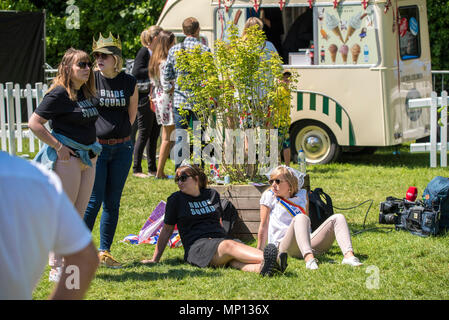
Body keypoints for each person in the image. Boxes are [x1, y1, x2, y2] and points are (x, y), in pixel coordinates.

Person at [28, 48, 101, 282]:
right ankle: (55, 265)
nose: (87, 68)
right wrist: (59, 148)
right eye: (82, 64)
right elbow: (34, 123)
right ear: (68, 68)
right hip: (67, 159)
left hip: (88, 158)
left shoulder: (86, 92)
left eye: (88, 64)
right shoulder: (59, 93)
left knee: (78, 214)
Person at [141, 164, 284, 276]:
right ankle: (275, 258)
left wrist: (221, 238)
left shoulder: (211, 194)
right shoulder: (176, 200)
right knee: (229, 246)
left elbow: (219, 222)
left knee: (234, 261)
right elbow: (167, 229)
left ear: (196, 179)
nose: (179, 182)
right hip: (197, 247)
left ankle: (265, 269)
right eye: (177, 179)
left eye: (183, 178)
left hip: (218, 240)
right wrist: (155, 259)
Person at [0, 152, 98, 300]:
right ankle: (55, 266)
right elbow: (84, 258)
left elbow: (83, 258)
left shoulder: (37, 179)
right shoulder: (36, 179)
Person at [83, 32, 138, 269]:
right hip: (97, 149)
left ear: (116, 58)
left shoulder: (129, 82)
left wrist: (120, 133)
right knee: (93, 200)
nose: (98, 59)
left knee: (112, 202)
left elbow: (132, 114)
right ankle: (78, 250)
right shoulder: (90, 80)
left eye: (104, 55)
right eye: (96, 55)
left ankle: (104, 251)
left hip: (123, 148)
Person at [257, 165, 363, 270]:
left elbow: (307, 222)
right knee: (300, 218)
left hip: (308, 241)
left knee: (338, 218)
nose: (273, 185)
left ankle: (349, 256)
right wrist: (259, 252)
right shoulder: (269, 196)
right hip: (284, 246)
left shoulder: (302, 195)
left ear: (289, 183)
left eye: (278, 181)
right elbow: (264, 224)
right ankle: (309, 259)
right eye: (271, 181)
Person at [163, 17, 211, 170]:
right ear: (197, 31)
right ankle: (198, 170)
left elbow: (167, 75)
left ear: (183, 31)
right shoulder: (204, 49)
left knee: (180, 136)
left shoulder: (174, 50)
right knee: (199, 137)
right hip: (199, 101)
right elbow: (211, 76)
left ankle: (180, 171)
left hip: (179, 100)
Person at [132, 26, 162, 178]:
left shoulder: (155, 53)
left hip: (155, 97)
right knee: (144, 133)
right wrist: (155, 68)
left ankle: (152, 168)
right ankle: (137, 168)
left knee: (154, 133)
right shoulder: (144, 52)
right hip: (144, 97)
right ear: (155, 38)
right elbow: (136, 72)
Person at [148, 30, 176, 179]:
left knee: (167, 136)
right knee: (166, 137)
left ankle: (161, 171)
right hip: (167, 100)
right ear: (168, 44)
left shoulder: (154, 60)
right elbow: (167, 86)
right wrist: (178, 84)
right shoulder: (164, 63)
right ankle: (160, 172)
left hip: (159, 99)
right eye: (173, 42)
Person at [273, 71, 292, 166]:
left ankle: (287, 167)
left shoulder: (287, 90)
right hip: (278, 122)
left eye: (288, 78)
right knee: (278, 146)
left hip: (284, 122)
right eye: (284, 78)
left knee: (286, 145)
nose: (286, 80)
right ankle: (279, 166)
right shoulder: (278, 90)